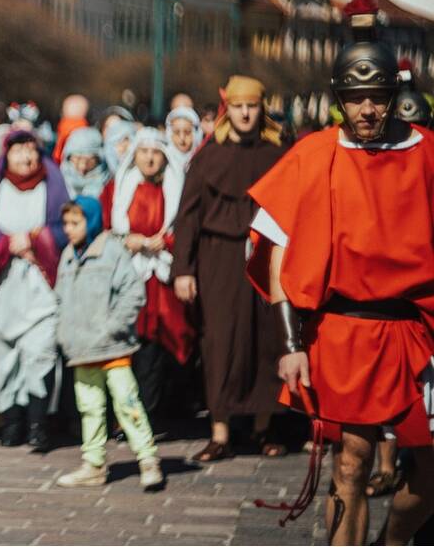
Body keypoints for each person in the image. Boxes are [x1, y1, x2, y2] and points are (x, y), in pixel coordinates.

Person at [246, 40, 434, 545]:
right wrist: (291, 345)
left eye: (377, 96)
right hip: (345, 330)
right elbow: (277, 251)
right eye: (356, 97)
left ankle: (394, 539)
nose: (367, 109)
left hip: (418, 332)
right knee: (352, 462)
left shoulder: (427, 153)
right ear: (339, 98)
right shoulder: (314, 154)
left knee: (431, 472)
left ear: (392, 95)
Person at [171, 76, 287, 462]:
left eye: (252, 106)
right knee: (219, 341)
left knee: (267, 338)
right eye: (237, 106)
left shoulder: (277, 153)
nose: (245, 113)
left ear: (261, 109)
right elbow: (187, 217)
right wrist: (183, 269)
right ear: (228, 109)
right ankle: (219, 431)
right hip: (217, 256)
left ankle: (264, 428)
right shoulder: (208, 156)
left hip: (267, 256)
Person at [53, 197, 162, 490]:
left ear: (91, 220)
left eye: (75, 223)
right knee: (89, 407)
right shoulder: (67, 255)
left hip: (112, 348)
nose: (69, 229)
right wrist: (63, 333)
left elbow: (132, 292)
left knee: (128, 403)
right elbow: (60, 298)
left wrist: (112, 328)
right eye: (66, 223)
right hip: (81, 350)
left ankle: (148, 459)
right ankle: (94, 463)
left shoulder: (112, 250)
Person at [0, 131, 68, 451]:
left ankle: (38, 425)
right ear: (7, 155)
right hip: (3, 284)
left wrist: (35, 238)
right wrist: (5, 244)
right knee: (5, 357)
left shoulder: (52, 184)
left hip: (40, 282)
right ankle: (11, 423)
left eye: (31, 151)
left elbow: (63, 227)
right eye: (18, 151)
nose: (26, 158)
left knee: (40, 353)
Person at [100, 128, 192, 419]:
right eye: (144, 152)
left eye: (156, 153)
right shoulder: (118, 188)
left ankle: (159, 411)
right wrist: (129, 240)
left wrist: (165, 242)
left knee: (166, 346)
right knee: (132, 346)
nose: (150, 158)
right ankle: (128, 413)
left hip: (164, 278)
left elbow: (188, 230)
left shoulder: (178, 187)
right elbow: (105, 229)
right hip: (130, 277)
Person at [60, 126, 109, 199]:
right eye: (77, 159)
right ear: (68, 157)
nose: (82, 166)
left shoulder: (109, 187)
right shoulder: (56, 183)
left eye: (89, 161)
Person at [164, 106, 203, 170]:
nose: (182, 138)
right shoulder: (162, 162)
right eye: (176, 132)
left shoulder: (203, 161)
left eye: (187, 133)